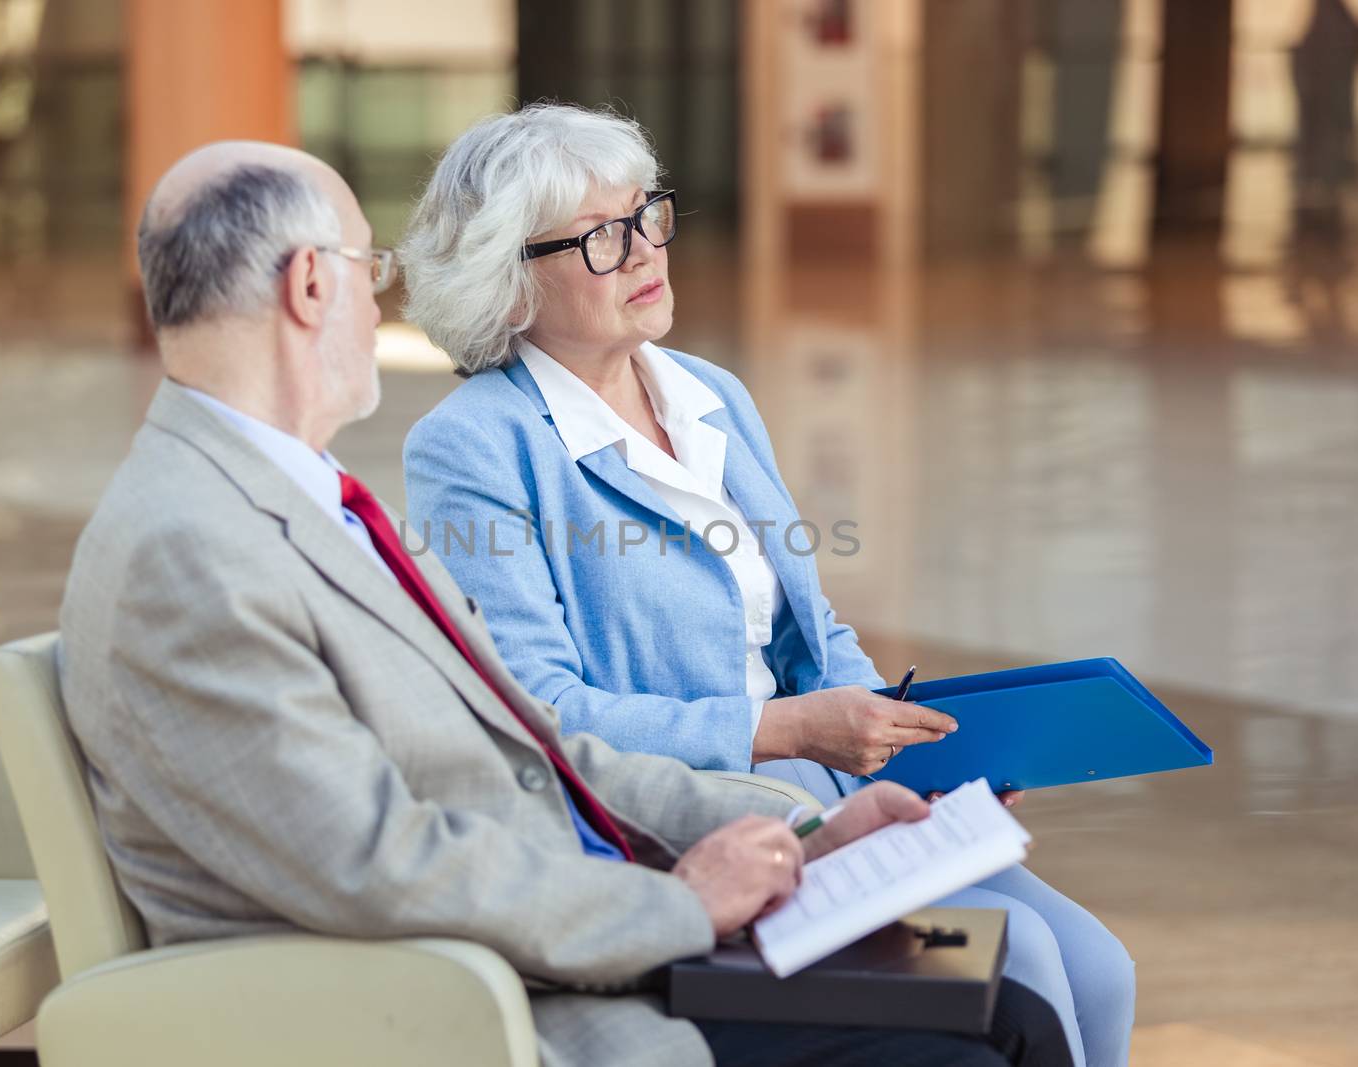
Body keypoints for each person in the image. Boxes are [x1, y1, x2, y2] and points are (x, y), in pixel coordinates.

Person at [56, 140, 1071, 1067]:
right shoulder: (191, 550)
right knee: (975, 1038)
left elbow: (538, 749)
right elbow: (374, 864)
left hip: (566, 913)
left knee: (1008, 1008)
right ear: (312, 285)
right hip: (470, 987)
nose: (382, 306)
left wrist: (801, 838)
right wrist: (675, 905)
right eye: (373, 272)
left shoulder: (291, 496)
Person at [401, 104, 1135, 1067]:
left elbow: (813, 633)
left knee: (1100, 965)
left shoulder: (709, 395)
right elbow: (542, 711)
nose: (641, 252)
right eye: (598, 237)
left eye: (646, 214)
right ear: (507, 282)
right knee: (1021, 958)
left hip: (829, 781)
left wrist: (926, 763)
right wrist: (790, 729)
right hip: (697, 812)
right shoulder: (474, 446)